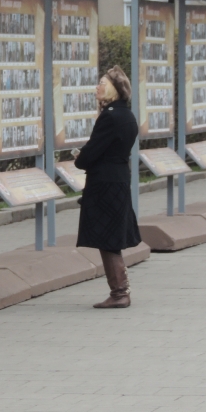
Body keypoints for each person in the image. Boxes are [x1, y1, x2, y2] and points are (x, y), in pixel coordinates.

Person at [72, 66, 141, 309]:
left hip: (105, 184)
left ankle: (120, 292)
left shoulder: (110, 116)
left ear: (113, 88)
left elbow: (93, 150)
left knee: (108, 238)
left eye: (102, 82)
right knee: (110, 237)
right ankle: (120, 291)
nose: (97, 87)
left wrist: (80, 159)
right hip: (119, 180)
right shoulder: (127, 115)